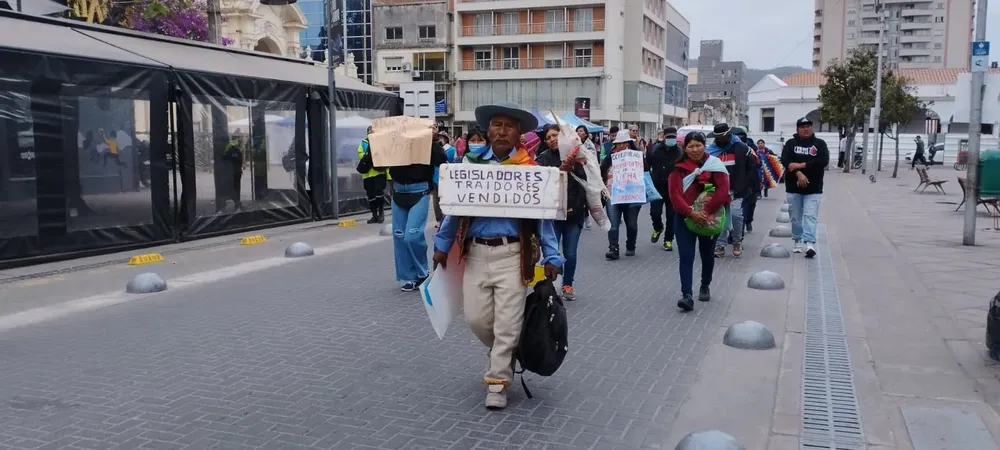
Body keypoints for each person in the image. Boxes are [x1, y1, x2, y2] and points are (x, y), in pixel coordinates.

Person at [432, 101, 564, 410]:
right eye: (496, 125)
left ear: (519, 133)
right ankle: (507, 352)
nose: (501, 131)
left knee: (507, 323)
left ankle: (497, 382)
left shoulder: (531, 171)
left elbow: (543, 217)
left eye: (508, 126)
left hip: (513, 255)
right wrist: (441, 245)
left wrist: (553, 257)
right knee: (477, 319)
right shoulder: (471, 166)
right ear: (488, 130)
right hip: (476, 253)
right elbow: (453, 209)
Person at [359, 127, 448, 291]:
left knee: (412, 236)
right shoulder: (393, 148)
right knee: (399, 237)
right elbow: (368, 166)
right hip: (398, 193)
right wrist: (375, 143)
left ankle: (422, 273)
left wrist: (433, 139)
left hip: (420, 193)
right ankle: (409, 277)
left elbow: (441, 160)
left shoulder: (424, 145)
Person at [668, 132, 730, 312]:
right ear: (685, 148)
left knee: (707, 253)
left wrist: (705, 212)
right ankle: (686, 295)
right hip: (685, 218)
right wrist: (691, 212)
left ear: (705, 145)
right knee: (686, 256)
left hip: (710, 218)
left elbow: (723, 190)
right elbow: (675, 194)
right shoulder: (678, 168)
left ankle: (705, 285)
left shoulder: (715, 165)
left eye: (698, 145)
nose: (695, 149)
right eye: (691, 146)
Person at [537, 125, 589, 301]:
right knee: (552, 252)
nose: (552, 139)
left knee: (570, 253)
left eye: (555, 135)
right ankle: (549, 285)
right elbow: (540, 184)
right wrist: (560, 170)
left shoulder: (576, 156)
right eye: (548, 137)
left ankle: (568, 284)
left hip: (574, 215)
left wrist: (573, 166)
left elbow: (586, 181)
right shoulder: (542, 159)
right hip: (552, 217)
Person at [781, 117, 830, 258]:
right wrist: (799, 174)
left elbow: (823, 161)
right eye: (802, 127)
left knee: (810, 215)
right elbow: (786, 161)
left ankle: (809, 243)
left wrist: (802, 165)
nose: (806, 129)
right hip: (793, 188)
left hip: (814, 188)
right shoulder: (791, 143)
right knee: (795, 217)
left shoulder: (819, 144)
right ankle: (797, 240)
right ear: (797, 129)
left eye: (808, 126)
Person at [706, 123, 756, 258]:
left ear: (729, 135)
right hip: (718, 190)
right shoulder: (711, 151)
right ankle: (720, 245)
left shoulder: (742, 148)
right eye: (718, 137)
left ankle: (737, 241)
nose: (720, 140)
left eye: (723, 137)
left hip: (737, 190)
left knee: (735, 215)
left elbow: (752, 167)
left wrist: (746, 185)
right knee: (720, 217)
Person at [601, 130, 645, 259]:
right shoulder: (610, 157)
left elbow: (646, 172)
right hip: (613, 195)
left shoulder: (637, 156)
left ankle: (631, 245)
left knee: (631, 224)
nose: (622, 146)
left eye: (625, 143)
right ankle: (613, 249)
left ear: (630, 143)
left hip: (633, 196)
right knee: (613, 225)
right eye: (619, 143)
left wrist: (638, 158)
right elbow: (602, 172)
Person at [647, 127, 682, 251]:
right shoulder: (655, 149)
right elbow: (647, 165)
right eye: (669, 137)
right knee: (654, 213)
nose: (671, 139)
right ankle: (658, 228)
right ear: (664, 137)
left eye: (673, 137)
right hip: (657, 186)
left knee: (671, 216)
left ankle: (668, 240)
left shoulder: (680, 152)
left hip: (673, 188)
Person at [733, 127, 761, 233]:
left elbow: (756, 167)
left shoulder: (751, 148)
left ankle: (748, 222)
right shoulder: (730, 148)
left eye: (741, 136)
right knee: (737, 210)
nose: (739, 138)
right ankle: (736, 233)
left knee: (750, 205)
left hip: (751, 183)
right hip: (735, 184)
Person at [358, 126, 389, 224]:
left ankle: (381, 212)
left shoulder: (380, 143)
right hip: (367, 174)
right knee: (370, 195)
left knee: (378, 192)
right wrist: (370, 157)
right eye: (369, 132)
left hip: (378, 172)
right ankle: (374, 215)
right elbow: (360, 154)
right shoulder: (363, 143)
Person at [430, 130, 458, 225]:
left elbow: (453, 163)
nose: (440, 139)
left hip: (446, 178)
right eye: (439, 137)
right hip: (435, 177)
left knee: (445, 199)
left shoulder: (451, 150)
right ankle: (439, 219)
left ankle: (446, 219)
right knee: (436, 200)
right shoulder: (433, 148)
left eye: (442, 137)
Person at [576, 125, 597, 229]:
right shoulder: (574, 142)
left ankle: (587, 216)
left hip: (587, 172)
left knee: (585, 195)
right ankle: (584, 215)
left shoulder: (589, 144)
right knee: (579, 194)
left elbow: (591, 158)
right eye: (578, 131)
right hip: (576, 172)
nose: (579, 133)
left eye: (581, 131)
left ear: (585, 133)